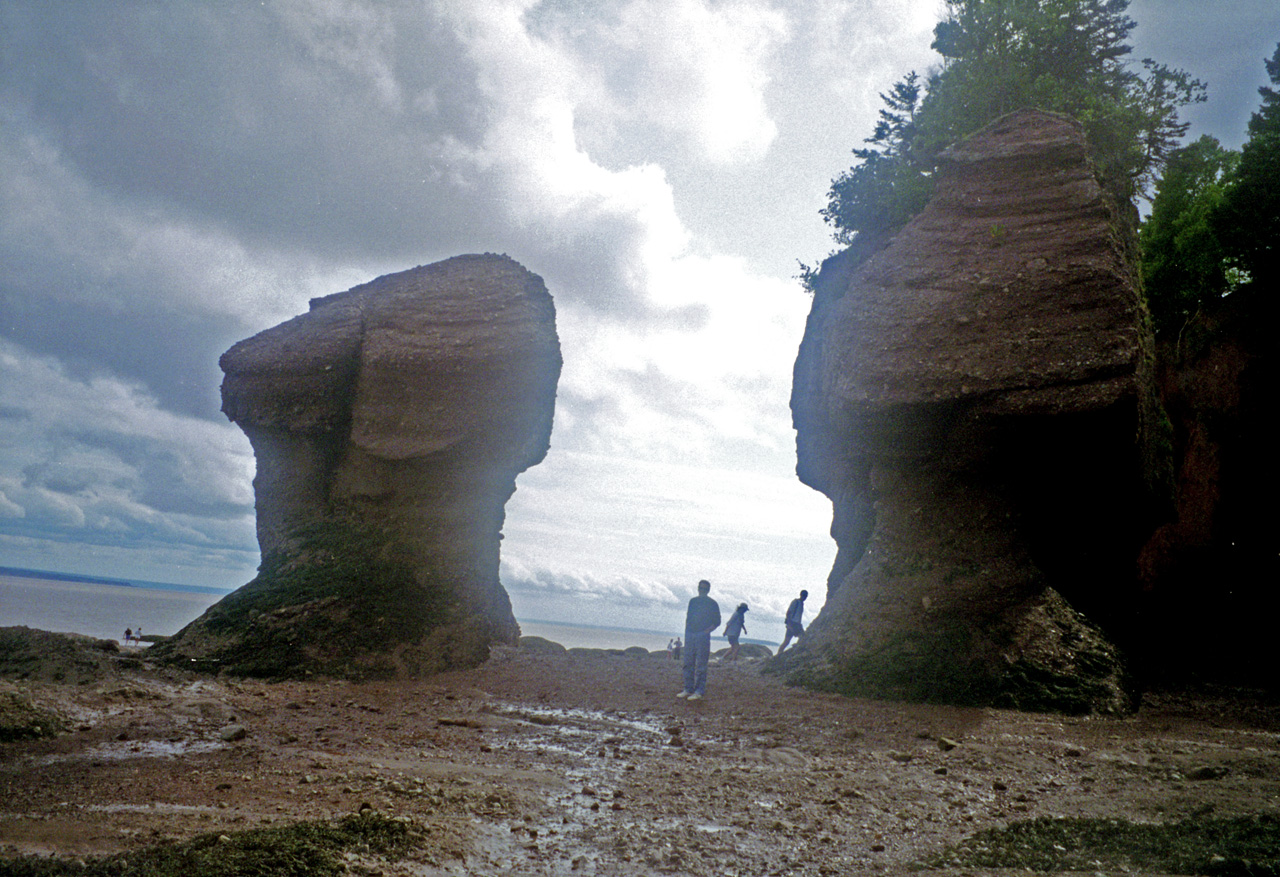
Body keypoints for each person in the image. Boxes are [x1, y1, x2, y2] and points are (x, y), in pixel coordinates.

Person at [677, 579, 721, 701]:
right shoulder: (693, 601)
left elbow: (717, 621)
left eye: (705, 589)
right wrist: (687, 631)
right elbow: (688, 617)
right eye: (701, 588)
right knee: (688, 663)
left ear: (708, 590)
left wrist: (707, 631)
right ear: (698, 588)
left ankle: (699, 691)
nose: (702, 590)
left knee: (701, 664)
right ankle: (688, 689)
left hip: (702, 635)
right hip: (690, 634)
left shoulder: (712, 603)